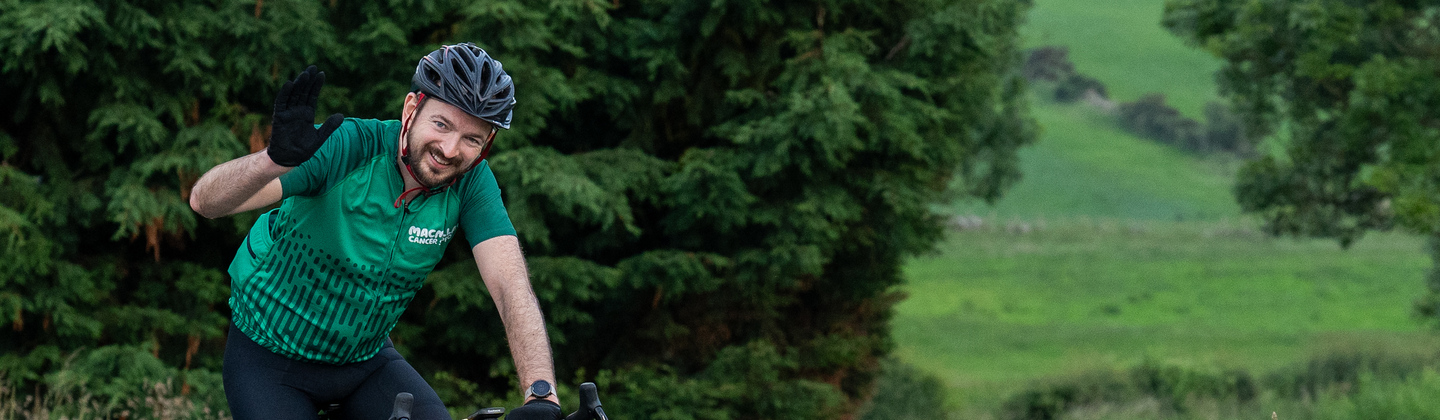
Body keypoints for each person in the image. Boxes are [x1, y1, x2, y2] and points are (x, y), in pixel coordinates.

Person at [189, 43, 561, 420]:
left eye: (472, 140)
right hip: (269, 356)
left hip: (363, 361)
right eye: (441, 124)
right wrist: (271, 162)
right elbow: (206, 202)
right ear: (411, 109)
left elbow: (510, 285)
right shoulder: (346, 147)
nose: (450, 149)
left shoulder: (471, 182)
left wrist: (541, 393)